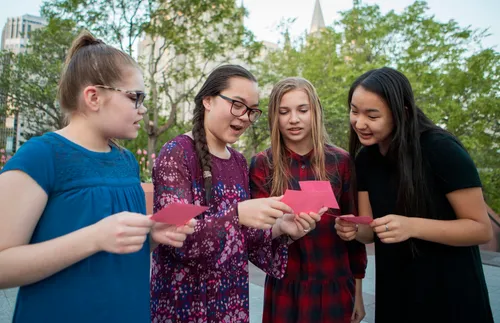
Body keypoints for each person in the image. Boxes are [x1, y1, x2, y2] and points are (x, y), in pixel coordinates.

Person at [0, 31, 194, 323]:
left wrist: (151, 237)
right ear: (93, 97)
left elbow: (118, 246)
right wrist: (94, 238)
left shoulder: (126, 161)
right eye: (135, 97)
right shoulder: (41, 155)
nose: (142, 110)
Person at [150, 65, 325, 322]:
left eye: (252, 110)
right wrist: (237, 214)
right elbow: (176, 237)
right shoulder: (177, 153)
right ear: (207, 100)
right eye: (237, 105)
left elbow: (244, 241)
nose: (244, 117)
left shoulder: (239, 162)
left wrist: (280, 227)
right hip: (184, 305)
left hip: (232, 304)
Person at [335, 67, 494, 323]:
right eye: (354, 111)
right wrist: (353, 228)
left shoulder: (441, 149)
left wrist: (412, 226)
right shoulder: (366, 158)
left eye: (372, 115)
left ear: (402, 113)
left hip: (452, 295)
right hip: (396, 292)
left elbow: (480, 229)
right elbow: (369, 231)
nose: (359, 123)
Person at [249, 77, 368, 323]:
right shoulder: (263, 163)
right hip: (285, 285)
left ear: (315, 111)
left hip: (335, 283)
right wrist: (279, 225)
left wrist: (358, 290)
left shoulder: (341, 161)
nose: (294, 119)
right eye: (284, 112)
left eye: (302, 110)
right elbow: (255, 235)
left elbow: (354, 231)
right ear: (275, 116)